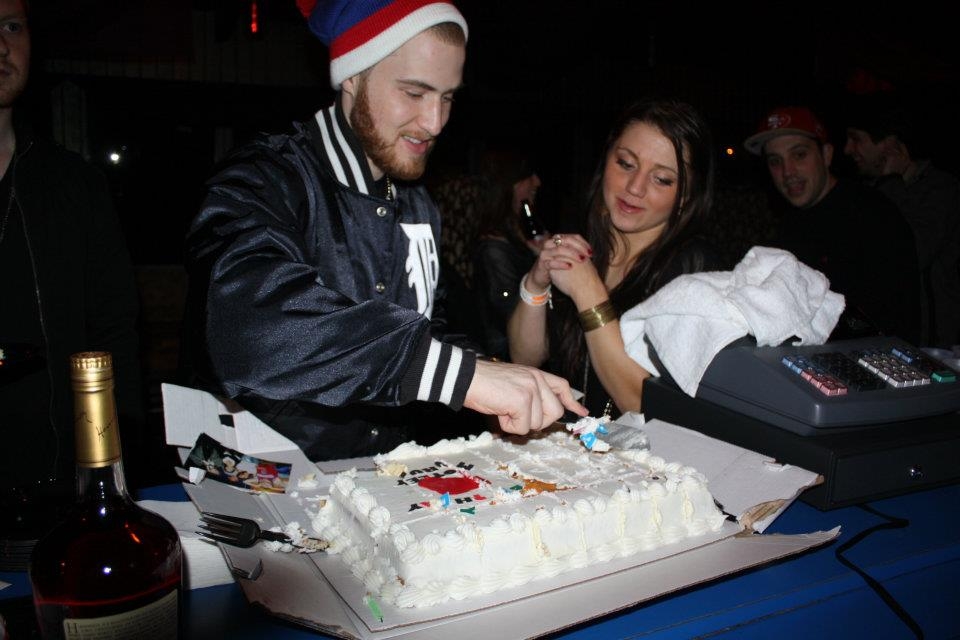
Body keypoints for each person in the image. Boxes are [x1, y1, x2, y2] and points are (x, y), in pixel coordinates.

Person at [181, 0, 585, 462]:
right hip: (261, 484)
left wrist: (499, 374)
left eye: (448, 97)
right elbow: (247, 324)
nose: (435, 122)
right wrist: (461, 376)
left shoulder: (416, 201)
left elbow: (424, 329)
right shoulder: (262, 179)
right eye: (414, 93)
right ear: (351, 76)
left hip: (378, 479)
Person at [0, 0, 144, 495]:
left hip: (59, 490)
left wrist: (115, 472)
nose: (1, 44)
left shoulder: (75, 183)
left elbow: (115, 328)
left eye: (12, 26)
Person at [507, 99, 721, 418]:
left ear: (685, 197)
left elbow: (642, 403)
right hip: (565, 449)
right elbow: (524, 361)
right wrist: (536, 282)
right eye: (626, 163)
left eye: (661, 179)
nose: (635, 187)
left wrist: (588, 291)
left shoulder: (695, 268)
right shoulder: (587, 242)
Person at [743, 105, 923, 344]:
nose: (788, 172)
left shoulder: (871, 214)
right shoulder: (789, 226)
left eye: (799, 155)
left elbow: (890, 321)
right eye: (775, 161)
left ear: (826, 155)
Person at [843, 95, 960, 348]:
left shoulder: (940, 189)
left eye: (856, 139)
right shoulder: (869, 190)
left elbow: (906, 256)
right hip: (888, 339)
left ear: (888, 143)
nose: (848, 149)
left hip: (934, 347)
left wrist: (892, 182)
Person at [471, 148, 543, 361]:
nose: (537, 181)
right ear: (510, 185)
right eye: (528, 176)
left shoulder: (516, 231)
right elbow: (509, 313)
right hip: (505, 361)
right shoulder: (494, 249)